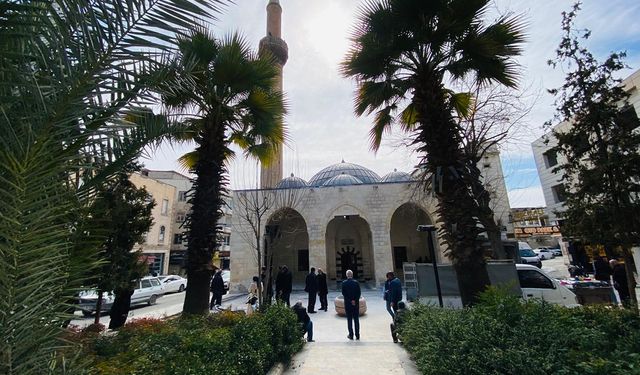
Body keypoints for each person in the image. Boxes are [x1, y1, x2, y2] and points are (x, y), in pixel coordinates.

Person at [341, 269, 361, 340]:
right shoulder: (356, 283)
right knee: (356, 320)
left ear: (347, 275)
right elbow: (359, 293)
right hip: (355, 304)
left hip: (348, 304)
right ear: (352, 275)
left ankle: (351, 335)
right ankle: (357, 335)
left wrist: (350, 300)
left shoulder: (344, 283)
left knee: (349, 320)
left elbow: (344, 294)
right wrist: (354, 300)